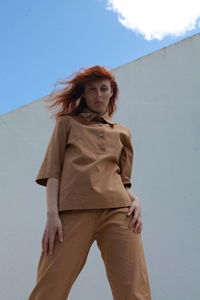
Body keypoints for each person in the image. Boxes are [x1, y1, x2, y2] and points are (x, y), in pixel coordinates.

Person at [28, 65, 152, 300]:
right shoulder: (67, 123)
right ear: (83, 94)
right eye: (92, 90)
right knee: (49, 288)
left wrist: (136, 200)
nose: (98, 95)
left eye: (104, 89)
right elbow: (53, 171)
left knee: (134, 290)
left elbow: (124, 181)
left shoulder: (122, 132)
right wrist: (52, 215)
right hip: (72, 212)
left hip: (118, 211)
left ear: (111, 92)